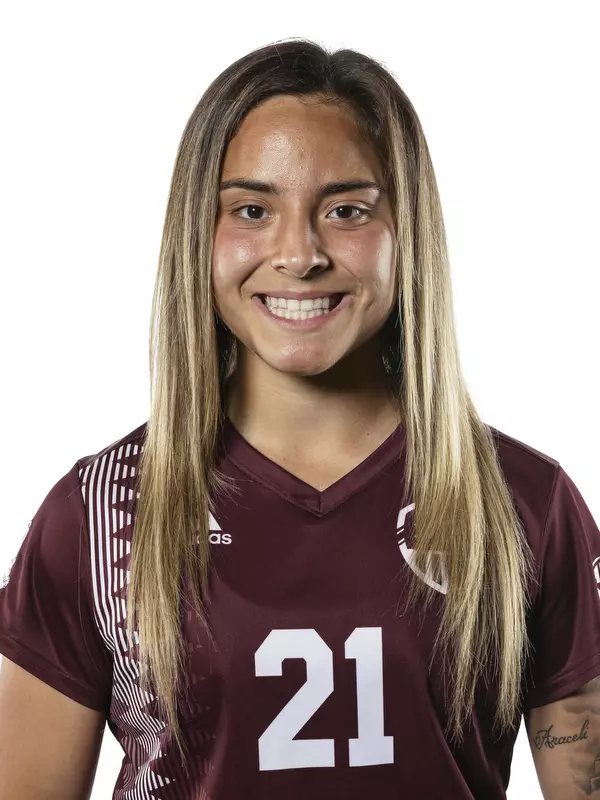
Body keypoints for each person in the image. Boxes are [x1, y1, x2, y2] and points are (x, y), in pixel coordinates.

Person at [1, 37, 599, 800]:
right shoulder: (102, 514)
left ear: (407, 231)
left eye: (346, 210)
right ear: (199, 232)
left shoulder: (521, 503)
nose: (299, 254)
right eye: (252, 210)